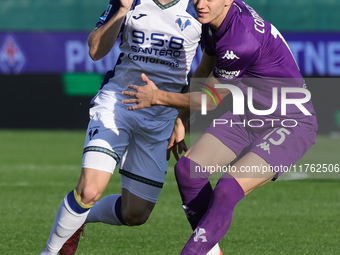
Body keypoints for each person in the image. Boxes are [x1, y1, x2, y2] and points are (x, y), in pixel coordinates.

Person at [122, 0, 318, 254]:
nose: (200, 4)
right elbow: (204, 69)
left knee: (227, 189)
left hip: (291, 121)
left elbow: (209, 100)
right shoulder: (214, 20)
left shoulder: (240, 40)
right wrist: (181, 119)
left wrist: (157, 97)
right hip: (248, 114)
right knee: (187, 170)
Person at [39, 0, 216, 254]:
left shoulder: (198, 6)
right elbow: (95, 50)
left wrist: (183, 119)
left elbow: (205, 69)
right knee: (89, 190)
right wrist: (122, 10)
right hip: (117, 106)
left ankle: (80, 219)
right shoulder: (129, 1)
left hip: (159, 119)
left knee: (136, 213)